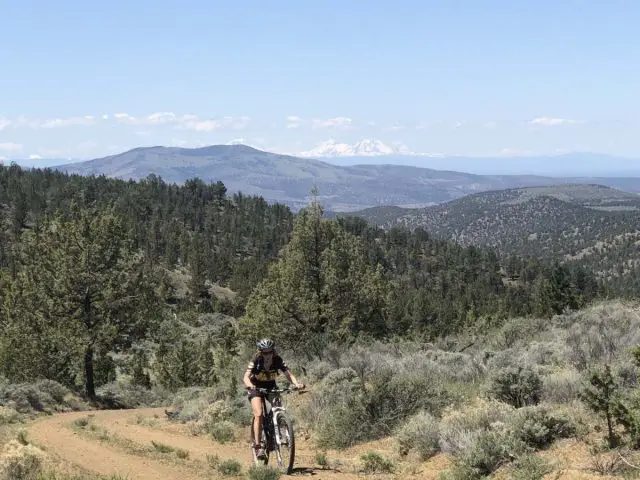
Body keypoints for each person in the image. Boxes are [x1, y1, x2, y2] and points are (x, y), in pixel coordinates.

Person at [243, 338, 305, 460]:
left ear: (273, 351)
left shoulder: (277, 360)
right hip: (256, 387)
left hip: (271, 386)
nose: (267, 355)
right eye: (265, 352)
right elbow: (246, 376)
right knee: (259, 414)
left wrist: (296, 384)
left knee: (278, 407)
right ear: (261, 352)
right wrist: (250, 385)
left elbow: (288, 374)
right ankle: (258, 446)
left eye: (270, 352)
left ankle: (278, 428)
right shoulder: (256, 360)